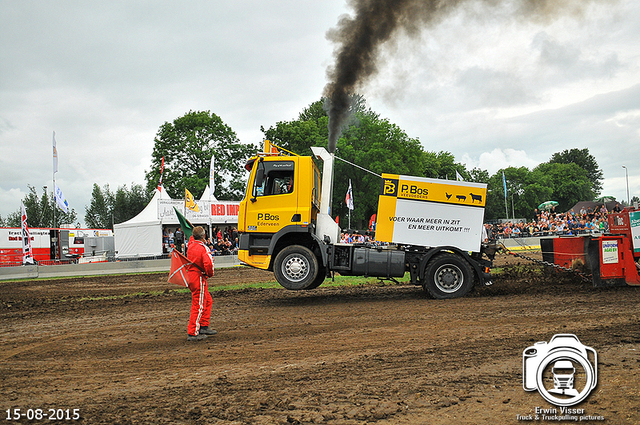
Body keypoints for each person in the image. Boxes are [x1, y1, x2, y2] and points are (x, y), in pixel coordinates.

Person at [186, 226, 217, 342]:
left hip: (191, 276)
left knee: (207, 301)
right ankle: (193, 332)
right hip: (199, 277)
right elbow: (209, 264)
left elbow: (192, 238)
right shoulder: (203, 248)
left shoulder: (191, 245)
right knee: (198, 305)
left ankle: (203, 326)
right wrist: (209, 274)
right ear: (203, 236)